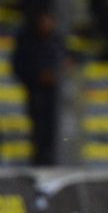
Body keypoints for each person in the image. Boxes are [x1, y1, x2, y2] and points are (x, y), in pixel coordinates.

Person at [12, 8, 67, 166]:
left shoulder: (57, 40)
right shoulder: (27, 41)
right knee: (39, 129)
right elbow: (19, 66)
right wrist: (37, 77)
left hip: (56, 96)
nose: (47, 24)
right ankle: (39, 160)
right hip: (36, 93)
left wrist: (60, 72)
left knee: (54, 129)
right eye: (44, 21)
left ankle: (53, 160)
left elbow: (68, 59)